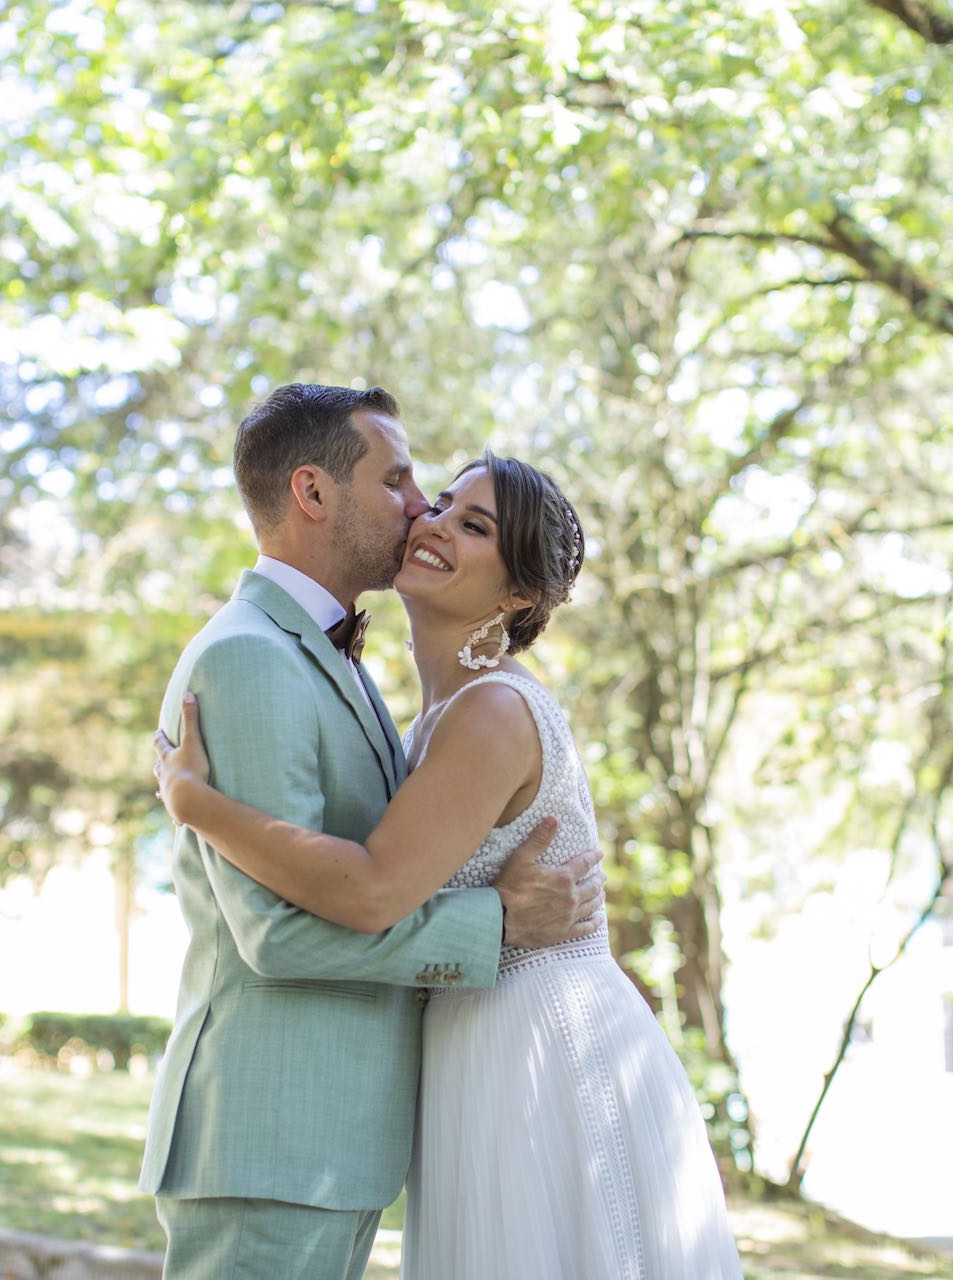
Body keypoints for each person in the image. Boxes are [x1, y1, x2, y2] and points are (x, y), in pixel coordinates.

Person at [154, 448, 744, 1278]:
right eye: (436, 505)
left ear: (515, 595)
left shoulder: (491, 712)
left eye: (473, 525)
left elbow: (371, 889)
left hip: (537, 1052)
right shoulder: (432, 717)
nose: (429, 522)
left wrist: (198, 806)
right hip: (475, 1049)